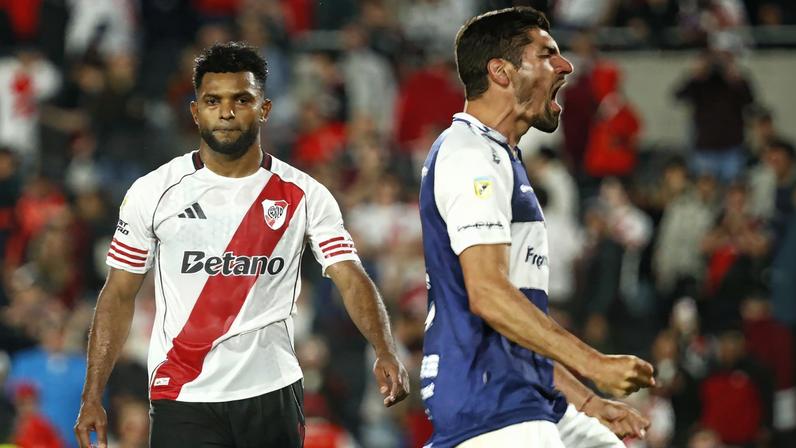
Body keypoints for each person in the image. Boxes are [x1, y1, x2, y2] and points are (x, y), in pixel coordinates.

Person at [73, 42, 410, 448]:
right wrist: (92, 394)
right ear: (195, 111)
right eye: (213, 100)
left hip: (272, 390)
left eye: (242, 99)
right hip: (183, 394)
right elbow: (118, 294)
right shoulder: (154, 192)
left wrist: (385, 349)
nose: (227, 112)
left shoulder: (305, 193)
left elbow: (350, 276)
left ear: (264, 109)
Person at [418, 7, 655, 447]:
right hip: (490, 399)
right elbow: (488, 294)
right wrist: (593, 363)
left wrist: (588, 401)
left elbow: (517, 322)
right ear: (501, 72)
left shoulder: (498, 156)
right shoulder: (471, 155)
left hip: (526, 394)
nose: (565, 66)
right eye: (547, 55)